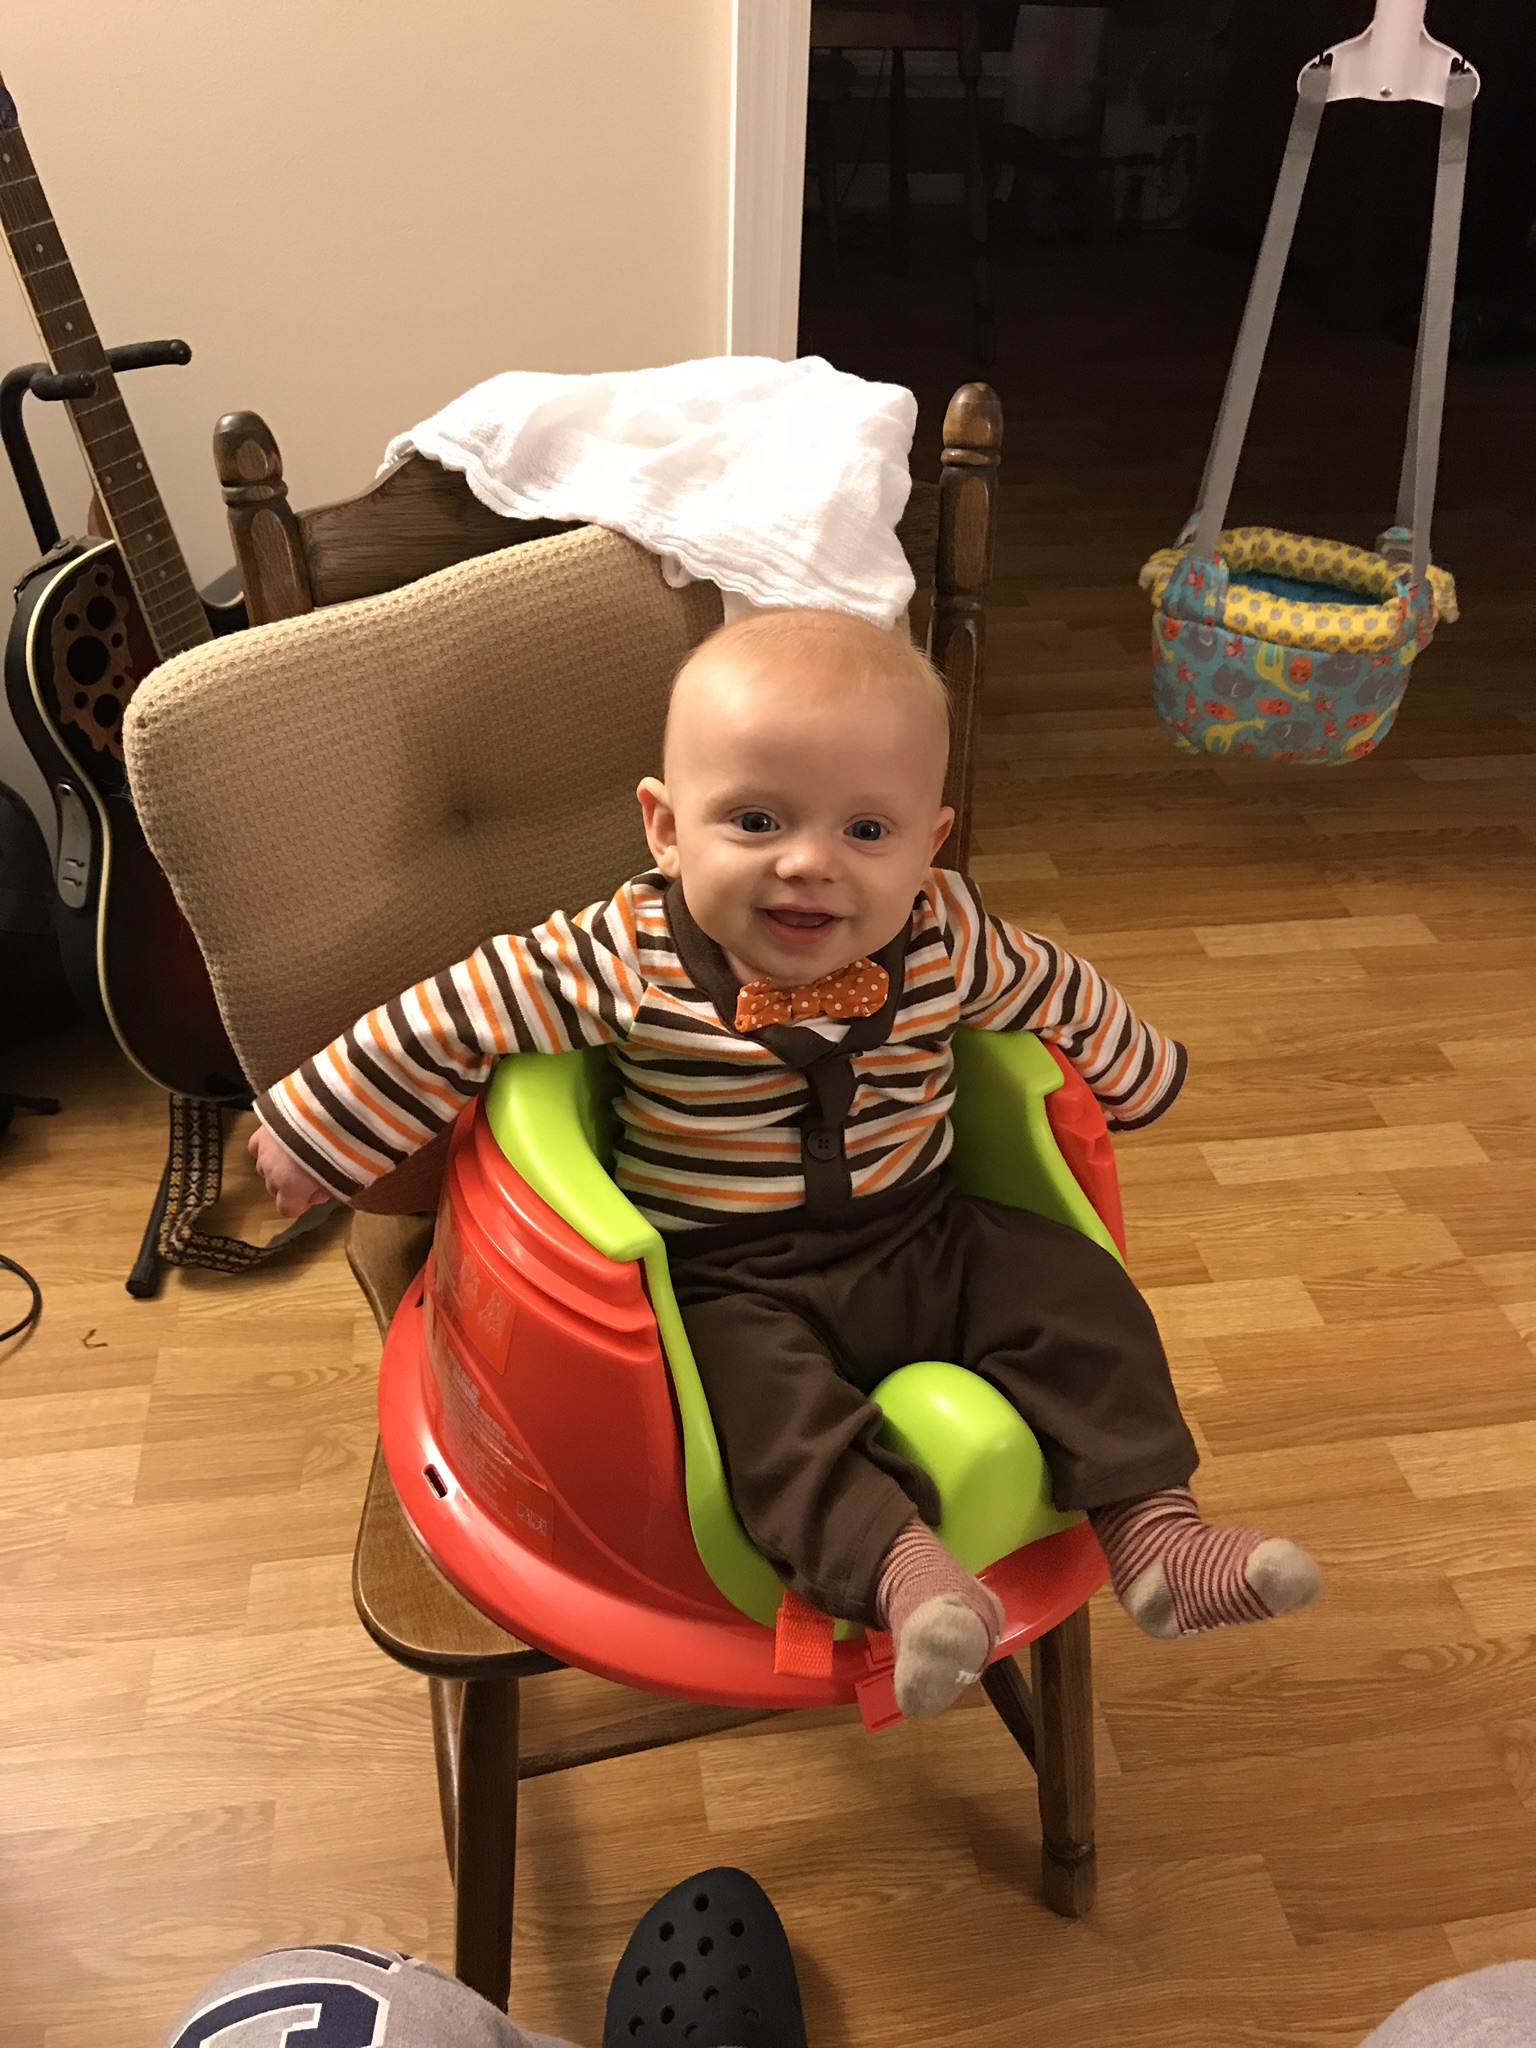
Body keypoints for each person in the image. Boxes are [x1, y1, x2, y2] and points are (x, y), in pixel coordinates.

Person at [249, 608, 1321, 1718]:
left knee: (1076, 1289)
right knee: (756, 1412)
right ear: (667, 829)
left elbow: (1063, 990)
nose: (809, 862)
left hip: (926, 1234)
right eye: (757, 819)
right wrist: (316, 1135)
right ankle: (909, 1577)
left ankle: (1154, 1533)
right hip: (727, 1277)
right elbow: (454, 1014)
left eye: (867, 830)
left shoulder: (948, 938)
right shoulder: (625, 956)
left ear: (929, 846)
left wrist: (1140, 1077)